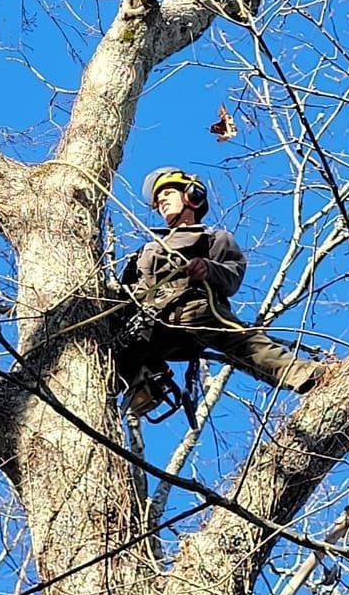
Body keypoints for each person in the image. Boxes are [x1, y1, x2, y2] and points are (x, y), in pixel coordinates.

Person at [116, 168, 323, 417]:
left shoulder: (212, 237)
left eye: (168, 193)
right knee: (112, 359)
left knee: (247, 344)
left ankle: (309, 375)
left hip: (193, 311)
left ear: (192, 195)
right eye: (158, 200)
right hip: (146, 328)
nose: (162, 201)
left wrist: (208, 269)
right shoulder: (147, 251)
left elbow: (232, 275)